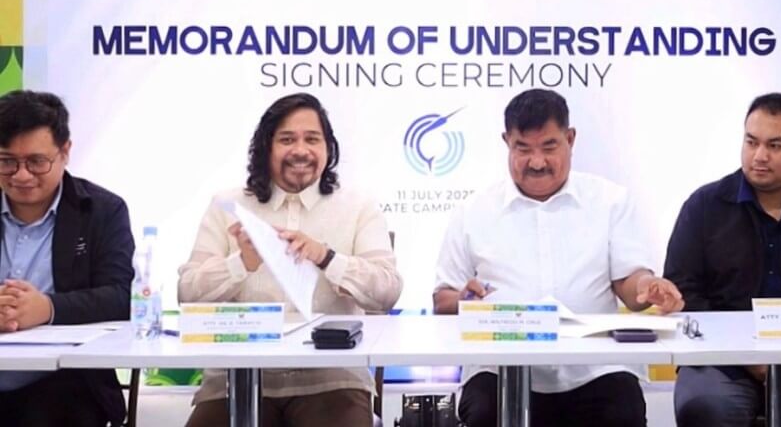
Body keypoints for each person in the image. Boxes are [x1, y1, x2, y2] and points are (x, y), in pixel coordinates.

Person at [433, 88, 684, 427]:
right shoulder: (473, 211)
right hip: (498, 368)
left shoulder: (610, 201)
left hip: (596, 368)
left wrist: (647, 287)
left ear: (570, 138)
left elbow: (630, 284)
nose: (537, 162)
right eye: (523, 149)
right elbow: (442, 299)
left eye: (549, 147)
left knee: (621, 413)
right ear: (506, 142)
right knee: (484, 414)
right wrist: (465, 300)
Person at [179, 92, 402, 427]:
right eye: (287, 139)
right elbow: (187, 295)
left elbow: (387, 292)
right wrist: (241, 263)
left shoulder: (359, 206)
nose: (300, 150)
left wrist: (327, 257)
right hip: (236, 381)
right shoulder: (227, 205)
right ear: (266, 148)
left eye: (312, 139)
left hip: (331, 381)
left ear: (328, 149)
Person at [664, 92, 781, 427]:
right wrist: (746, 356)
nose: (759, 156)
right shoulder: (705, 206)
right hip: (720, 359)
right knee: (705, 408)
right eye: (751, 142)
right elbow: (683, 291)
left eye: (775, 145)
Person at [0, 90, 135, 427]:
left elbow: (121, 297)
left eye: (36, 162)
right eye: (6, 161)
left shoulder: (102, 211)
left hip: (66, 382)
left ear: (65, 152)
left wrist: (48, 308)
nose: (21, 175)